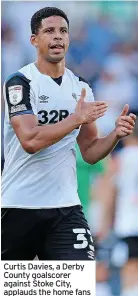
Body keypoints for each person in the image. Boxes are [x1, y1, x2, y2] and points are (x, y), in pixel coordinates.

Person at [1, 7, 136, 264]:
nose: (57, 37)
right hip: (20, 206)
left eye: (63, 31)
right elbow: (30, 141)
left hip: (66, 208)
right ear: (34, 39)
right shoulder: (19, 82)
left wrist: (115, 135)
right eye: (49, 31)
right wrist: (76, 118)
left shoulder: (81, 87)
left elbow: (90, 151)